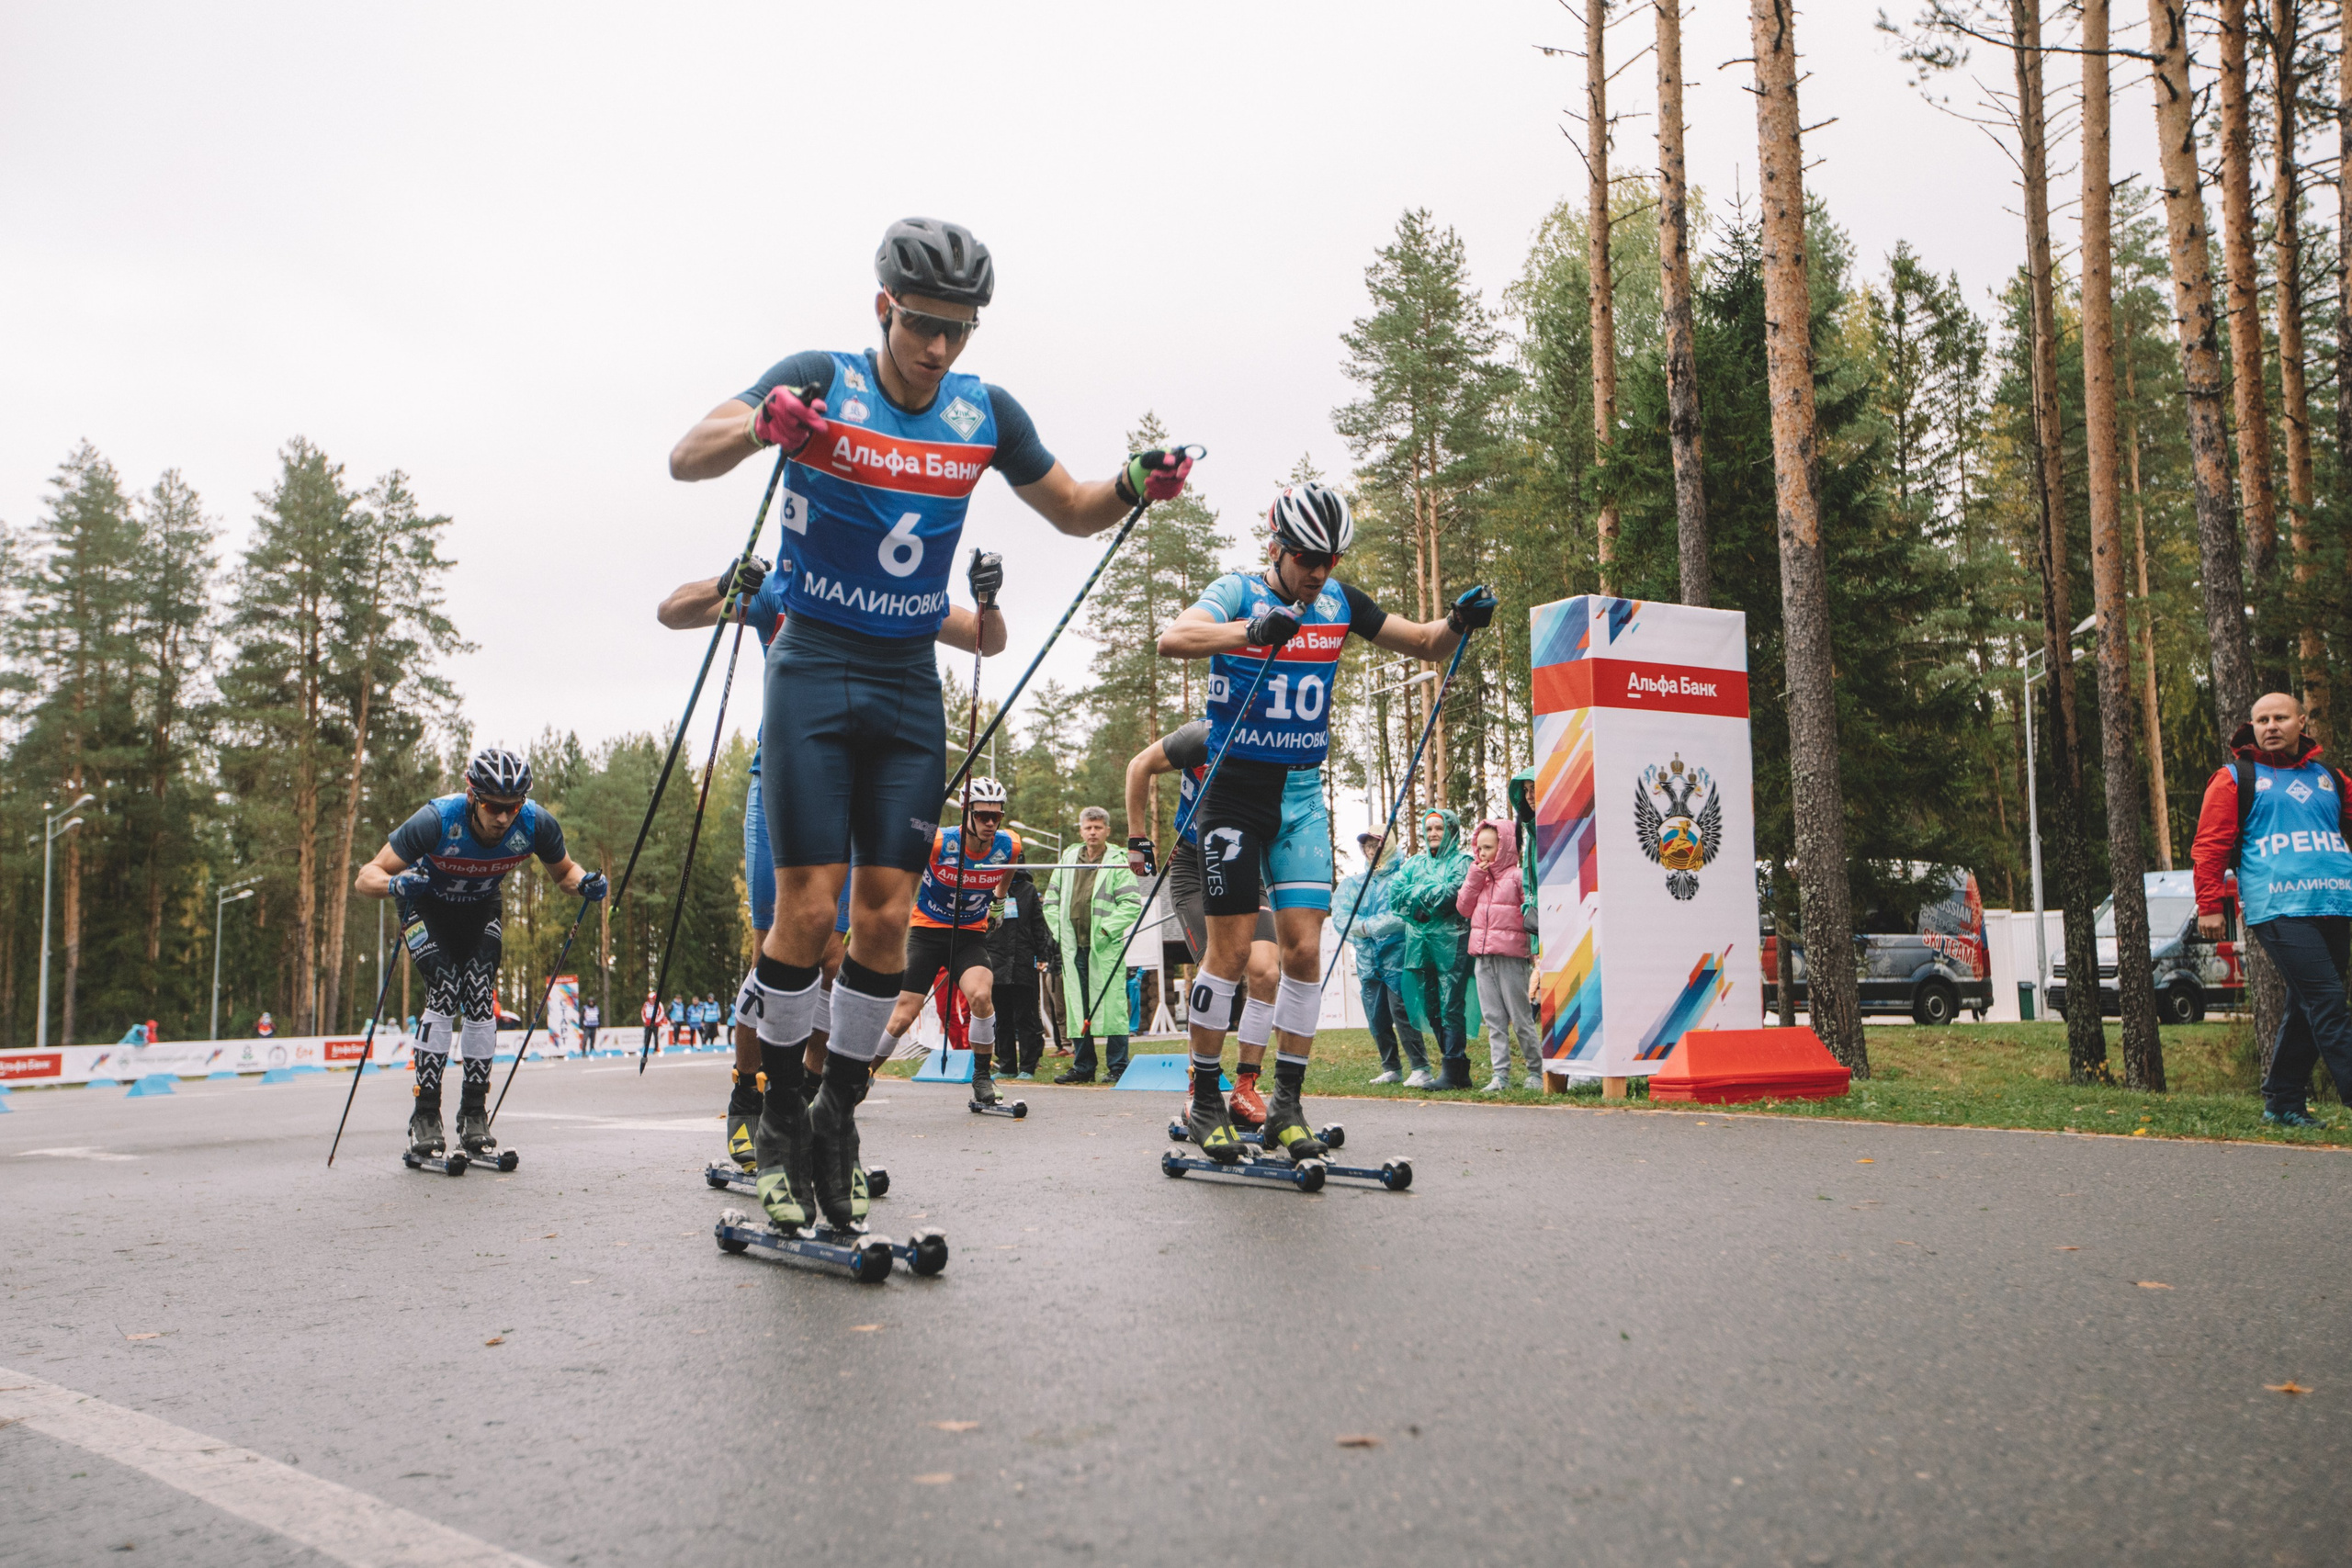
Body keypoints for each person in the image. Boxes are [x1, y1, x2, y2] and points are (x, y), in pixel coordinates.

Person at [666, 217, 1194, 1232]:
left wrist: (1135, 481)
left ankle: (839, 1116)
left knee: (881, 922)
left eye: (959, 329)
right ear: (883, 310)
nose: (939, 348)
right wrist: (764, 425)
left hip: (910, 684)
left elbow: (1076, 506)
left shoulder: (982, 411)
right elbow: (687, 457)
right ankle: (774, 1117)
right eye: (922, 325)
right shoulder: (822, 376)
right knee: (806, 913)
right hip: (812, 667)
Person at [1153, 481, 1494, 1160]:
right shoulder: (1239, 591)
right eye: (1308, 557)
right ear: (1277, 547)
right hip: (1233, 791)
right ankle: (1204, 1098)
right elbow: (1173, 638)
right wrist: (1249, 631)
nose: (1317, 572)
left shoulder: (1338, 602)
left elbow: (1426, 642)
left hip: (1301, 796)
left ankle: (1285, 1104)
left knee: (1305, 949)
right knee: (1228, 953)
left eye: (1330, 559)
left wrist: (1458, 619)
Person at [659, 550, 1004, 1171]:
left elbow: (986, 640)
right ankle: (749, 1088)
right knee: (786, 942)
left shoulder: (891, 590)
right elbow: (672, 611)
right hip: (788, 778)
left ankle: (814, 1102)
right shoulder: (786, 588)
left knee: (834, 957)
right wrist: (726, 580)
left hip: (861, 783)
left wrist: (987, 599)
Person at [356, 748, 606, 1158]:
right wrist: (396, 884)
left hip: (479, 907)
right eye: (493, 806)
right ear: (472, 796)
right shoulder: (437, 819)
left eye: (512, 807)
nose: (503, 817)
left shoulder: (535, 824)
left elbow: (565, 872)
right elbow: (366, 876)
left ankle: (474, 1115)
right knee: (444, 989)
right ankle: (425, 1116)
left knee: (478, 994)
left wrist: (586, 884)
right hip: (425, 905)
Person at [2192, 691, 2352, 1127]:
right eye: (2262, 720)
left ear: (2302, 722)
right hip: (2278, 908)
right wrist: (2209, 904)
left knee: (2307, 1004)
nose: (2271, 726)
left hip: (2336, 905)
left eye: (2281, 717)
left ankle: (2283, 1103)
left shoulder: (2330, 778)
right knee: (2328, 1001)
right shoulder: (2235, 778)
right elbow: (2210, 846)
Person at [1125, 722, 1284, 1125]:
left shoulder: (1276, 742)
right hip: (1195, 868)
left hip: (1243, 866)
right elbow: (1139, 765)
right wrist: (1137, 837)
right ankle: (1202, 1086)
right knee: (1221, 967)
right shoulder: (1200, 737)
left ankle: (1246, 1086)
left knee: (1266, 971)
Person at [878, 777, 1023, 1103]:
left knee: (982, 996)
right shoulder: (939, 841)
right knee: (904, 1013)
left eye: (996, 816)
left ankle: (983, 1078)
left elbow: (1009, 870)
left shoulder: (1009, 845)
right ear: (965, 812)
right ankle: (861, 1077)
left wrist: (998, 903)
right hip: (928, 932)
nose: (990, 823)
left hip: (969, 936)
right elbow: (904, 831)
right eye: (982, 815)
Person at [1043, 807, 1142, 1084]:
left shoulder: (1118, 861)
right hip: (1073, 947)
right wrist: (1061, 932)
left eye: (1098, 827)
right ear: (1081, 830)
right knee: (1077, 1006)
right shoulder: (1068, 858)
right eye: (1088, 827)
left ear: (1107, 830)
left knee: (1113, 1007)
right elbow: (1051, 901)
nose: (1093, 832)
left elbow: (1132, 904)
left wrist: (1106, 929)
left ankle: (1118, 1066)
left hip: (1104, 946)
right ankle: (1083, 1066)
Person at [1334, 830, 1430, 1085]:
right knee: (1376, 1013)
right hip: (1368, 959)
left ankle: (1420, 1067)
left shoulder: (1403, 877)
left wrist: (1367, 926)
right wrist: (1364, 928)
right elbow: (1341, 919)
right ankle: (1391, 1067)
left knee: (1402, 1010)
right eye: (1366, 845)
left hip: (1397, 956)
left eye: (1375, 844)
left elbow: (1403, 915)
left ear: (1387, 845)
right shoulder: (1356, 884)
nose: (1370, 849)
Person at [1392, 808, 1475, 1088]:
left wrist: (1417, 897)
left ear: (1451, 829)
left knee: (1451, 1003)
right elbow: (1396, 893)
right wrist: (1428, 897)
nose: (1433, 834)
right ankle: (1455, 1070)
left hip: (1452, 942)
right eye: (1428, 830)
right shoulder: (1415, 863)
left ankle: (1453, 1066)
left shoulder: (1462, 861)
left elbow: (1452, 893)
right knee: (1430, 1006)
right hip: (1420, 944)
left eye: (1439, 828)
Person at [1461, 818, 1540, 1091]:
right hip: (1482, 958)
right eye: (1479, 848)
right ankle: (1500, 1076)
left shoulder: (1517, 877)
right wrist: (1474, 877)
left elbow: (1529, 912)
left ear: (1504, 847)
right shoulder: (1478, 878)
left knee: (1520, 1018)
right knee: (1493, 1020)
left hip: (1511, 958)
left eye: (1488, 847)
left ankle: (1536, 1071)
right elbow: (1463, 907)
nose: (1482, 854)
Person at [986, 862, 1058, 1078]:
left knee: (1026, 1016)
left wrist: (1042, 955)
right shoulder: (988, 890)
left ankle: (1028, 1065)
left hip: (1023, 961)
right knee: (1001, 1017)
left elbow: (1039, 925)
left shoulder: (1028, 891)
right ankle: (1006, 1065)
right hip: (995, 961)